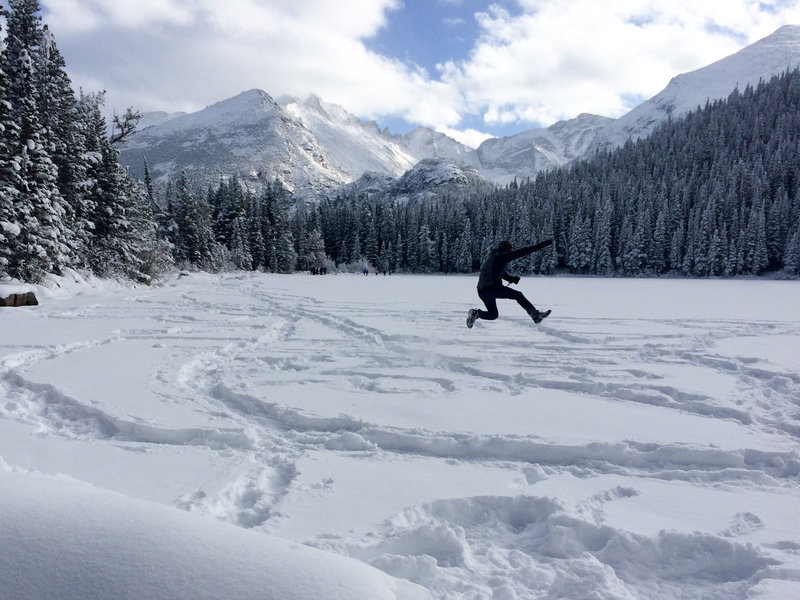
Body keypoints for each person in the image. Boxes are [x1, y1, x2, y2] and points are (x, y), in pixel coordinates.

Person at [466, 239, 553, 328]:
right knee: (518, 295)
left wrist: (512, 279)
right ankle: (536, 316)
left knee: (493, 315)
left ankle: (475, 313)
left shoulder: (494, 257)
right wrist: (541, 245)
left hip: (482, 291)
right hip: (491, 288)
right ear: (507, 250)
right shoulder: (501, 256)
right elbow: (521, 252)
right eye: (510, 250)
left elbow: (501, 273)